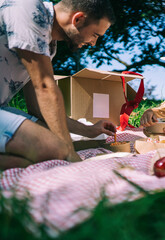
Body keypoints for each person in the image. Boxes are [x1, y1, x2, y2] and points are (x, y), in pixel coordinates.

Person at [0, 0, 117, 170]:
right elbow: (45, 87)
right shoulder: (29, 9)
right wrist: (69, 154)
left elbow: (38, 108)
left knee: (49, 147)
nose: (93, 43)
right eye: (95, 35)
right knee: (54, 149)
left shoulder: (48, 44)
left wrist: (88, 130)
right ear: (78, 19)